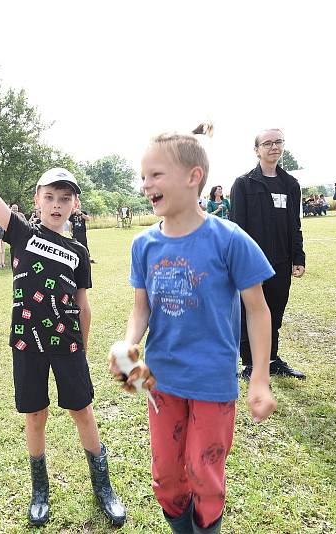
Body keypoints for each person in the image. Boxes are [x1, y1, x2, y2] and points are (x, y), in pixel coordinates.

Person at [110, 123, 276, 534]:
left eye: (155, 174)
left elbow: (258, 311)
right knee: (167, 476)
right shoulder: (143, 245)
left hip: (213, 381)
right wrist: (128, 344)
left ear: (193, 177)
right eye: (143, 176)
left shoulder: (229, 239)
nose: (146, 184)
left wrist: (259, 379)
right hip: (161, 380)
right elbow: (141, 309)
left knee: (205, 475)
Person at [0, 162, 126, 526]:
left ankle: (102, 486)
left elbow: (84, 307)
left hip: (68, 345)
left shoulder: (77, 251)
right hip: (27, 343)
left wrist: (83, 351)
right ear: (37, 201)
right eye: (49, 197)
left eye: (64, 198)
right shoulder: (23, 234)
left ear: (75, 204)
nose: (56, 204)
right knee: (35, 415)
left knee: (82, 411)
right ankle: (40, 489)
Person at [230, 129, 307, 380]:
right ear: (257, 150)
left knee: (275, 311)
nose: (273, 146)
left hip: (282, 261)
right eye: (267, 143)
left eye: (278, 142)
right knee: (249, 312)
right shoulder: (243, 184)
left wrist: (298, 257)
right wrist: (244, 264)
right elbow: (237, 228)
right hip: (252, 263)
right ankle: (250, 363)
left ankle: (272, 359)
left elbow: (295, 224)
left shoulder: (290, 184)